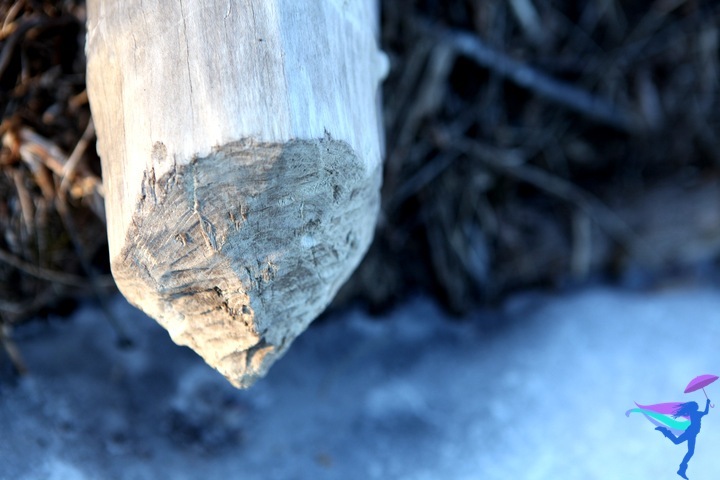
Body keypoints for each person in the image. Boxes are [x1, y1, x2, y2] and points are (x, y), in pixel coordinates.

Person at [655, 399, 711, 479]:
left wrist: (707, 403)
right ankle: (682, 468)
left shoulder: (694, 413)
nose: (698, 407)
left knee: (680, 444)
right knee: (689, 450)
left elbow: (705, 412)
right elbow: (706, 412)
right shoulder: (696, 413)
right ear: (694, 408)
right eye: (696, 406)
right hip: (691, 432)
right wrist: (707, 403)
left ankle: (682, 469)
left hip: (692, 433)